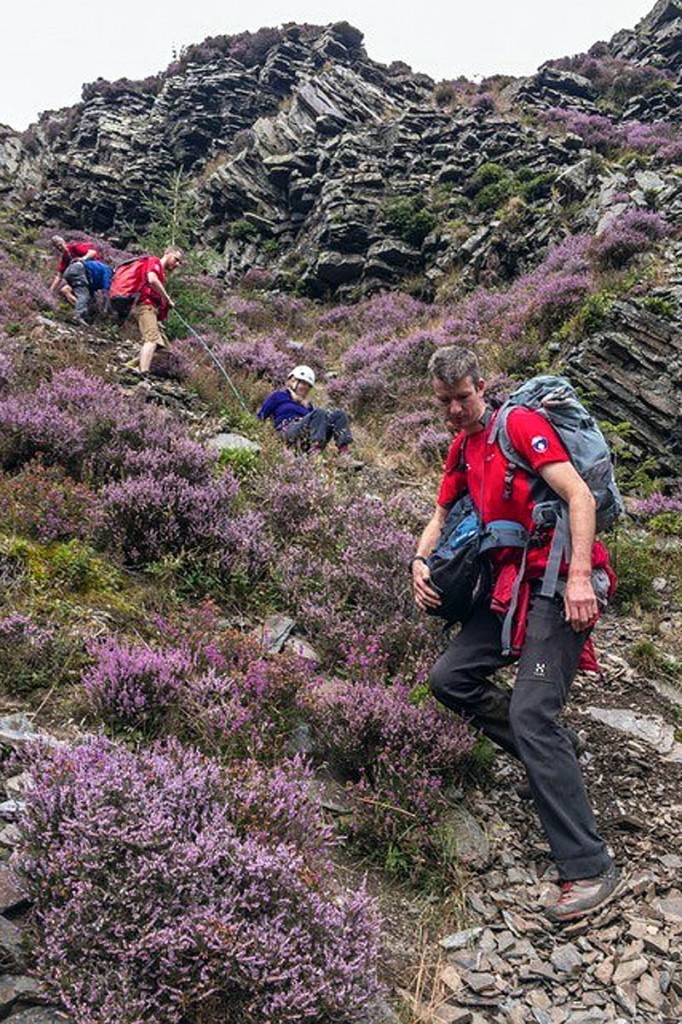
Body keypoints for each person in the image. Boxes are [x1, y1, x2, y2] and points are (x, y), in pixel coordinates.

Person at [412, 346, 619, 923]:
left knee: (533, 711)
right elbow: (440, 513)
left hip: (558, 580)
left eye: (463, 397)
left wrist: (581, 576)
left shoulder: (519, 425)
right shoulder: (460, 448)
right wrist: (419, 560)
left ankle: (589, 866)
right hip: (508, 591)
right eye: (445, 401)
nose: (455, 409)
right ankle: (551, 756)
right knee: (449, 679)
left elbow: (578, 495)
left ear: (482, 386)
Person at [257, 365, 354, 454]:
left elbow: (317, 423)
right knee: (319, 412)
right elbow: (261, 415)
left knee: (339, 414)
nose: (306, 388)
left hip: (307, 436)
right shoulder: (279, 396)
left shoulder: (308, 405)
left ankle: (343, 452)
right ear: (293, 381)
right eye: (303, 383)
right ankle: (315, 453)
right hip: (287, 430)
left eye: (309, 386)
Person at [133, 247, 184, 373]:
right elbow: (152, 280)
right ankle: (143, 372)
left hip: (152, 310)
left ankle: (131, 365)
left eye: (179, 263)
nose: (177, 264)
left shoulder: (161, 273)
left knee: (164, 349)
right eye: (176, 259)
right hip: (146, 306)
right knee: (151, 340)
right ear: (167, 253)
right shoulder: (154, 261)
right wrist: (167, 298)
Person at [50, 236, 101, 305]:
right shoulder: (65, 258)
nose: (60, 248)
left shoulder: (74, 247)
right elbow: (59, 276)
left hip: (93, 273)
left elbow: (92, 252)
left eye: (60, 244)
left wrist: (83, 258)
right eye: (57, 247)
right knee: (65, 290)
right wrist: (51, 290)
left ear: (63, 242)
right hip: (82, 278)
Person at [61, 258, 113, 324]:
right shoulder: (108, 270)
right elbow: (106, 289)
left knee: (87, 297)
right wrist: (106, 308)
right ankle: (77, 316)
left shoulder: (98, 272)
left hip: (70, 270)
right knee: (83, 295)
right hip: (79, 270)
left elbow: (90, 289)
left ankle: (83, 316)